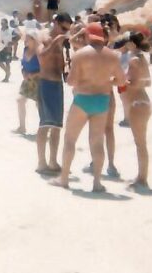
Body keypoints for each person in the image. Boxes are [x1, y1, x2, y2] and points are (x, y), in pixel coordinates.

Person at [49, 23, 126, 192]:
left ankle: (63, 179)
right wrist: (106, 81)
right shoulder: (113, 56)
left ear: (87, 36)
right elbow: (121, 80)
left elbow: (71, 81)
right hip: (102, 100)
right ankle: (97, 183)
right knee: (97, 142)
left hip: (83, 99)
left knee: (70, 139)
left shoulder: (81, 55)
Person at [35, 13, 72, 174]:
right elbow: (41, 56)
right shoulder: (44, 36)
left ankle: (53, 161)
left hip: (57, 84)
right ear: (55, 23)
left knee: (57, 125)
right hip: (46, 83)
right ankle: (41, 162)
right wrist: (54, 43)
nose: (65, 31)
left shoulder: (62, 41)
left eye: (67, 29)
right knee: (44, 124)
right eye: (63, 28)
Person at [123, 32, 152, 192]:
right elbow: (147, 82)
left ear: (132, 44)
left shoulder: (134, 60)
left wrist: (121, 83)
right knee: (141, 143)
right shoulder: (143, 59)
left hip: (136, 103)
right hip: (145, 101)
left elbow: (131, 83)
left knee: (140, 143)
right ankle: (141, 176)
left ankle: (142, 179)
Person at [16, 27, 41, 135]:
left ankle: (43, 128)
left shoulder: (39, 51)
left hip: (38, 81)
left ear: (34, 39)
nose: (25, 41)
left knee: (39, 105)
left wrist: (34, 74)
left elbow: (45, 68)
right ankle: (22, 127)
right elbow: (23, 64)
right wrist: (24, 73)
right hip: (27, 80)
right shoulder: (25, 50)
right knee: (20, 100)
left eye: (27, 39)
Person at [0, 17, 14, 83]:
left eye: (3, 23)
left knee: (7, 62)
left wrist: (12, 43)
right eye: (1, 23)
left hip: (8, 49)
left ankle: (6, 78)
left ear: (6, 23)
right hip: (0, 48)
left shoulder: (11, 30)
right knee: (0, 62)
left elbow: (18, 36)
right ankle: (8, 72)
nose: (2, 24)